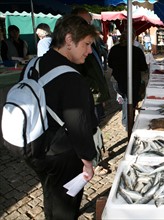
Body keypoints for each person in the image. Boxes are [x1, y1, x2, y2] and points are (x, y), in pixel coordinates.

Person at [22, 15, 98, 219]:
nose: (90, 51)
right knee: (65, 207)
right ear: (69, 39)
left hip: (34, 145)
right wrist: (88, 161)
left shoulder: (33, 64)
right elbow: (79, 127)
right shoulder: (72, 79)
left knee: (51, 194)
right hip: (61, 154)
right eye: (87, 44)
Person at [71, 7, 110, 124]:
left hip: (96, 97)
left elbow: (96, 69)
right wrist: (96, 93)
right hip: (89, 99)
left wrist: (102, 94)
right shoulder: (74, 50)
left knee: (96, 126)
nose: (89, 25)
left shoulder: (91, 42)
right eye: (85, 22)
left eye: (89, 22)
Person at [108, 30, 148, 129]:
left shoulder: (114, 49)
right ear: (132, 39)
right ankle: (128, 122)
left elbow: (110, 64)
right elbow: (143, 67)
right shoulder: (136, 51)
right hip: (132, 81)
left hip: (118, 80)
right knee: (129, 100)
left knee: (126, 99)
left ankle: (127, 121)